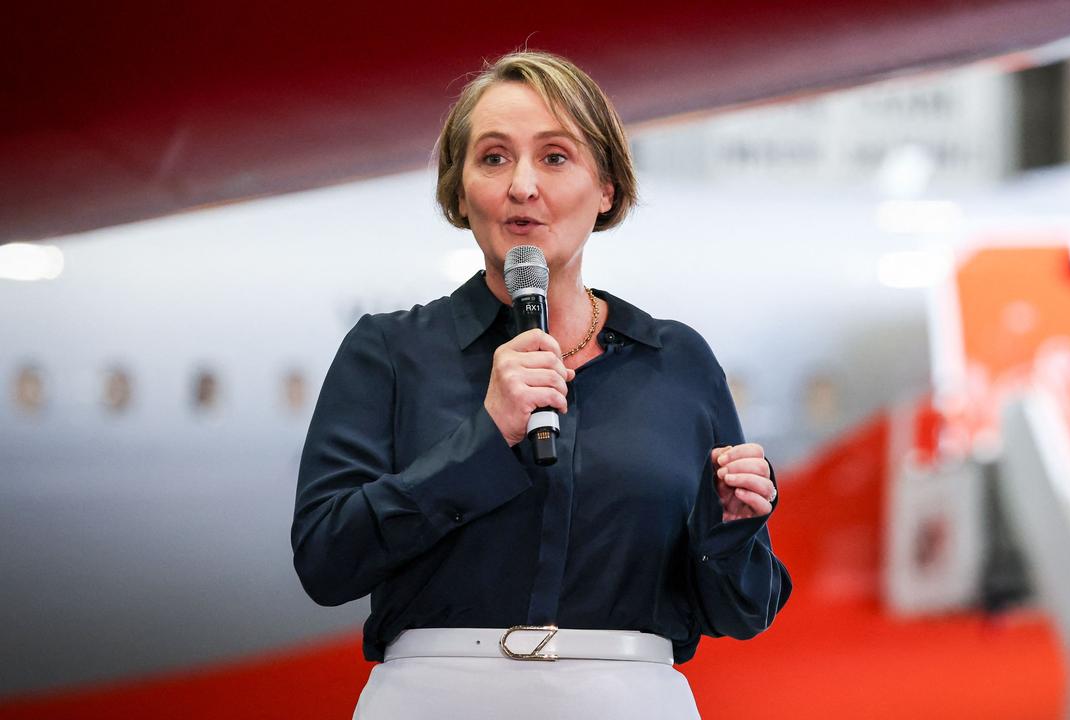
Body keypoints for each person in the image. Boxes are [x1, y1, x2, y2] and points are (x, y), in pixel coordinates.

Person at [291, 50, 791, 719]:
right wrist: (485, 437)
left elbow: (742, 612)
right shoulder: (390, 350)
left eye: (555, 157)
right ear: (459, 188)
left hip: (628, 697)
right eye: (494, 158)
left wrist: (730, 530)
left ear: (607, 187)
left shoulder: (677, 362)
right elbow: (326, 561)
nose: (522, 185)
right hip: (434, 697)